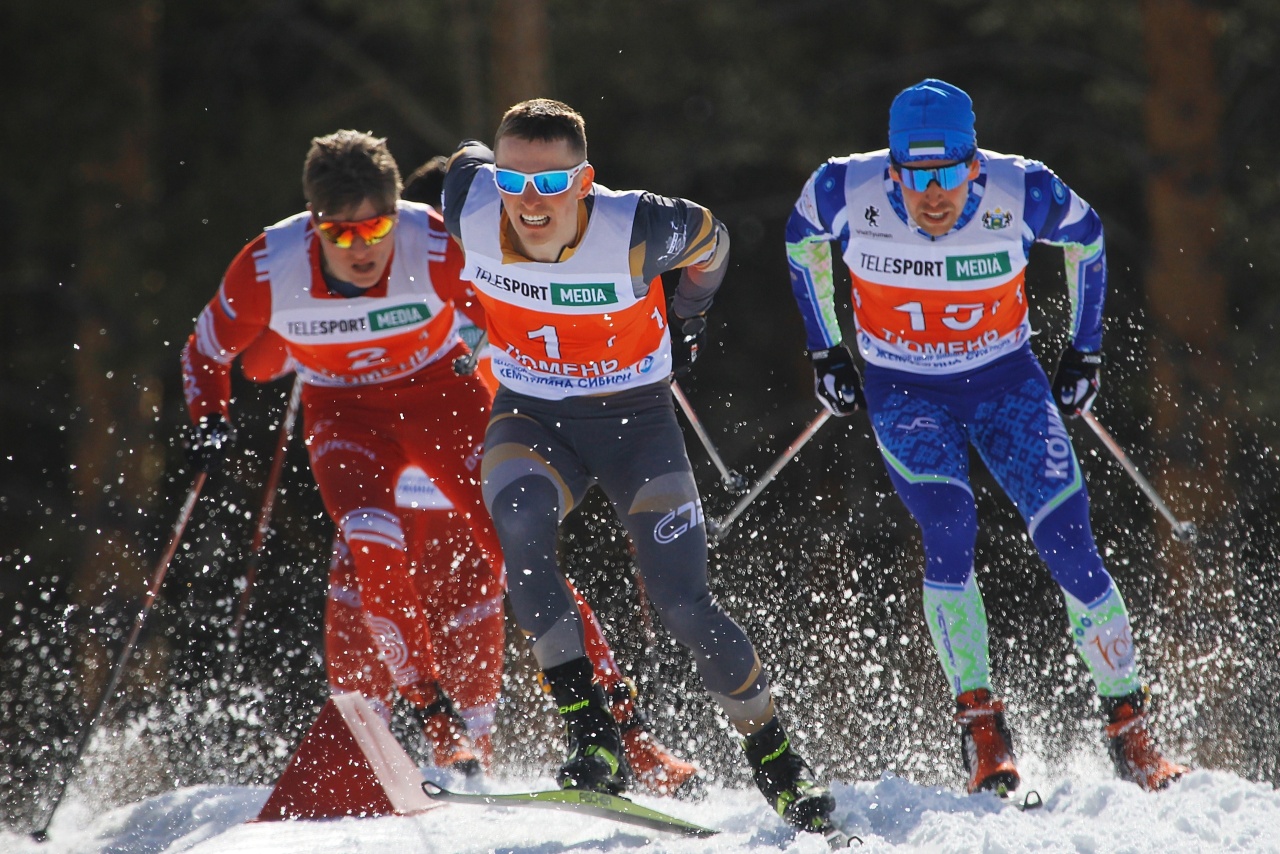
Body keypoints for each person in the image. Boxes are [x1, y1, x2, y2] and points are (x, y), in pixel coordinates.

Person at [215, 142, 701, 793]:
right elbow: (260, 360)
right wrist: (307, 328)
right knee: (368, 714)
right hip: (390, 520)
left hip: (464, 526)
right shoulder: (414, 264)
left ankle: (619, 746)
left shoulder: (491, 284)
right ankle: (383, 789)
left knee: (479, 723)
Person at [441, 98, 836, 836]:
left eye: (552, 184)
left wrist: (689, 314)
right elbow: (464, 158)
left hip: (636, 423)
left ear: (584, 180)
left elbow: (714, 242)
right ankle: (591, 736)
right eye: (514, 181)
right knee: (521, 533)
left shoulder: (638, 228)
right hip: (532, 412)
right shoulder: (469, 200)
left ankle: (780, 762)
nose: (530, 202)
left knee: (682, 603)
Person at [784, 79, 1189, 794]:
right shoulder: (844, 188)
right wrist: (826, 348)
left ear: (975, 163)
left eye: (948, 173)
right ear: (894, 168)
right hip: (905, 390)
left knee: (1069, 542)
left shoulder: (1022, 190)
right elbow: (800, 238)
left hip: (1006, 384)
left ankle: (1131, 731)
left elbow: (1088, 241)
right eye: (916, 175)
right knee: (949, 526)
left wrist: (1084, 349)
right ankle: (983, 734)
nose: (933, 194)